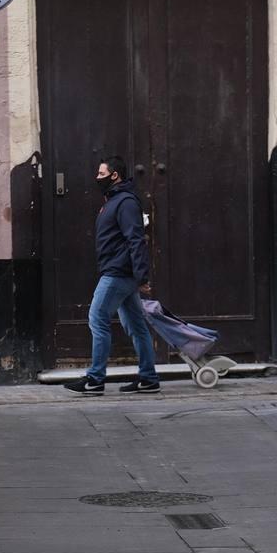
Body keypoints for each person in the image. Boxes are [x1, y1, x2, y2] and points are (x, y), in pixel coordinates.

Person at [64, 156, 161, 396]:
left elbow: (135, 239)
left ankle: (95, 379)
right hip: (121, 271)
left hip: (118, 272)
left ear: (114, 175)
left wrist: (142, 276)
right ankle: (149, 378)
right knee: (137, 326)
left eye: (100, 173)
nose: (97, 178)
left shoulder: (125, 202)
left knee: (97, 317)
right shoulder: (114, 200)